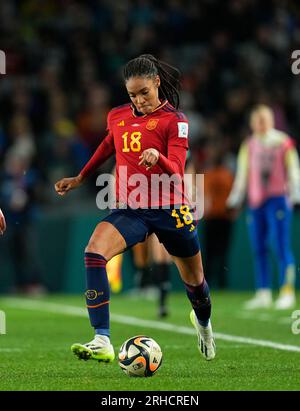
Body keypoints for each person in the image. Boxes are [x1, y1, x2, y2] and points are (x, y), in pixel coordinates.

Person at [55, 54, 215, 363]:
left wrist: (159, 156)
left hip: (170, 208)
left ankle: (204, 324)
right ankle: (102, 338)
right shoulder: (117, 116)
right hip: (133, 209)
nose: (139, 100)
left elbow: (178, 170)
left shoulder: (176, 121)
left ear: (156, 83)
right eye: (132, 94)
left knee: (196, 284)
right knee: (93, 252)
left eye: (144, 92)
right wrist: (81, 176)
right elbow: (108, 145)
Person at [227, 105, 300, 309]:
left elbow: (293, 169)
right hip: (256, 201)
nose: (260, 123)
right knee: (258, 247)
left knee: (280, 245)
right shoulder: (248, 145)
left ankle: (287, 291)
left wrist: (295, 195)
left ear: (271, 120)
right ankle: (264, 292)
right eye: (257, 120)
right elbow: (243, 174)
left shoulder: (283, 142)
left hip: (278, 199)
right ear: (252, 123)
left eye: (264, 119)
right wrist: (235, 198)